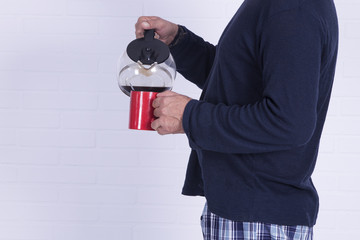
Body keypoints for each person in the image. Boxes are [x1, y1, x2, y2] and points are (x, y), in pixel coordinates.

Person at [134, 0, 338, 239]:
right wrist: (179, 41)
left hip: (257, 217)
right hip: (248, 212)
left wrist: (189, 116)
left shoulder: (292, 9)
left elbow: (288, 123)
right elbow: (234, 80)